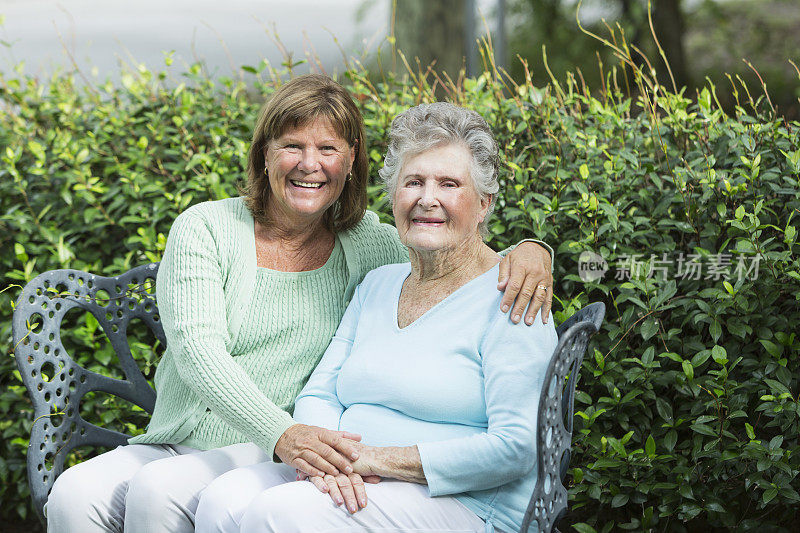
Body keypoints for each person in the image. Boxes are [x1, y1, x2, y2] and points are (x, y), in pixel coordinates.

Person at [45, 75, 554, 533]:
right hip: (243, 436)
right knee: (74, 493)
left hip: (307, 448)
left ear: (350, 160)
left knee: (169, 494)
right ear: (264, 153)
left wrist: (531, 252)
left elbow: (452, 248)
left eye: (327, 148)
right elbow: (199, 351)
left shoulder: (369, 247)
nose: (309, 164)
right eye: (292, 145)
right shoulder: (207, 228)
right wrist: (290, 437)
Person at [194, 102, 559, 533]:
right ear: (394, 196)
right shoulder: (379, 283)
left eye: (448, 184)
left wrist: (379, 460)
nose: (427, 199)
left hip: (466, 503)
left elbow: (517, 447)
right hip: (355, 475)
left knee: (277, 514)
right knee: (223, 498)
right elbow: (320, 393)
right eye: (413, 182)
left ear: (483, 204)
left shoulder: (515, 293)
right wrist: (331, 462)